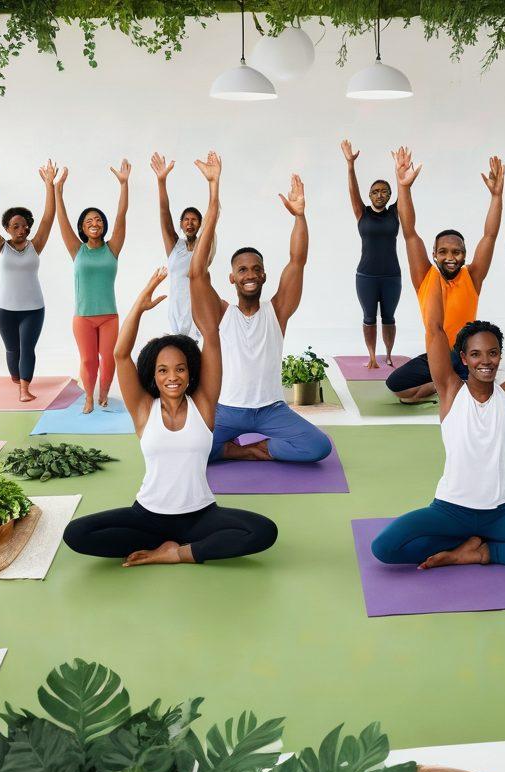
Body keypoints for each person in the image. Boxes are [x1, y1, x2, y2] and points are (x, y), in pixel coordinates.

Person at [372, 205, 505, 572]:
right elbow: (435, 330)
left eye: (492, 353)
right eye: (476, 354)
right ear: (464, 358)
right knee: (385, 548)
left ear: (500, 356)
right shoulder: (450, 391)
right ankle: (468, 544)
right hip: (449, 510)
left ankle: (484, 552)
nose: (485, 360)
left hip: (502, 512)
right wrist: (435, 279)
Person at [63, 263, 277, 566]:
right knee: (76, 533)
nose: (172, 377)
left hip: (200, 516)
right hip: (148, 516)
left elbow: (211, 338)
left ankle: (176, 553)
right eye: (163, 370)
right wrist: (140, 305)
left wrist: (197, 281)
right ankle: (167, 545)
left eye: (180, 368)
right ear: (153, 374)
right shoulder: (142, 410)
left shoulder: (203, 405)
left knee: (263, 531)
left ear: (190, 372)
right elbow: (121, 355)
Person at [188, 152, 331, 464]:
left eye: (256, 269)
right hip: (227, 410)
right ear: (232, 278)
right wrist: (214, 194)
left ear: (264, 274)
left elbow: (297, 261)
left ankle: (252, 448)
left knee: (319, 448)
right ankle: (243, 450)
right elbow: (197, 273)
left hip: (272, 411)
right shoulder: (221, 314)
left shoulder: (276, 311)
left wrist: (299, 216)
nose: (250, 274)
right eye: (242, 270)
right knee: (191, 450)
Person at [385, 148, 504, 403]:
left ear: (465, 254)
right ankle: (441, 384)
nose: (451, 257)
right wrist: (403, 187)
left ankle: (455, 381)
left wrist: (497, 196)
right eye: (443, 252)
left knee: (478, 392)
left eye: (457, 252)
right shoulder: (425, 276)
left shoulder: (472, 277)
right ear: (434, 254)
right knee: (397, 388)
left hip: (465, 355)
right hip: (435, 355)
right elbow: (409, 231)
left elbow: (490, 236)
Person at [54, 160, 131, 414]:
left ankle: (104, 394)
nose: (94, 222)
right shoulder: (77, 250)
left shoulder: (113, 248)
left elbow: (121, 215)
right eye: (89, 220)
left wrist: (124, 184)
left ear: (103, 225)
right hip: (83, 317)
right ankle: (88, 397)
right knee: (88, 360)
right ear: (83, 227)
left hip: (109, 316)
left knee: (108, 359)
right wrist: (58, 190)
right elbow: (62, 219)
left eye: (98, 219)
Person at [0, 160, 56, 402]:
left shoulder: (36, 246)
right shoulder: (0, 247)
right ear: (7, 229)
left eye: (24, 225)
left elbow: (48, 218)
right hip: (5, 310)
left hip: (33, 309)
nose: (21, 229)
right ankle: (17, 378)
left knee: (27, 348)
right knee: (13, 350)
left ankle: (24, 388)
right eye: (15, 226)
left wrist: (49, 186)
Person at [341, 139, 401, 370]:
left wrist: (399, 172)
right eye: (375, 192)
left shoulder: (395, 213)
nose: (379, 195)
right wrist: (350, 165)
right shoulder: (362, 213)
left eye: (384, 192)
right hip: (366, 276)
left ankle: (388, 355)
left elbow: (404, 193)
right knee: (368, 318)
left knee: (389, 317)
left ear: (389, 195)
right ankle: (372, 356)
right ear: (369, 195)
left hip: (391, 276)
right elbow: (352, 191)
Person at [151, 151, 215, 342]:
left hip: (199, 314)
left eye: (194, 220)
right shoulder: (175, 247)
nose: (190, 223)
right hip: (176, 314)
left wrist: (212, 182)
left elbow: (213, 212)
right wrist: (161, 181)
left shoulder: (204, 247)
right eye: (186, 219)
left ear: (200, 224)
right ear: (181, 224)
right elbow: (164, 213)